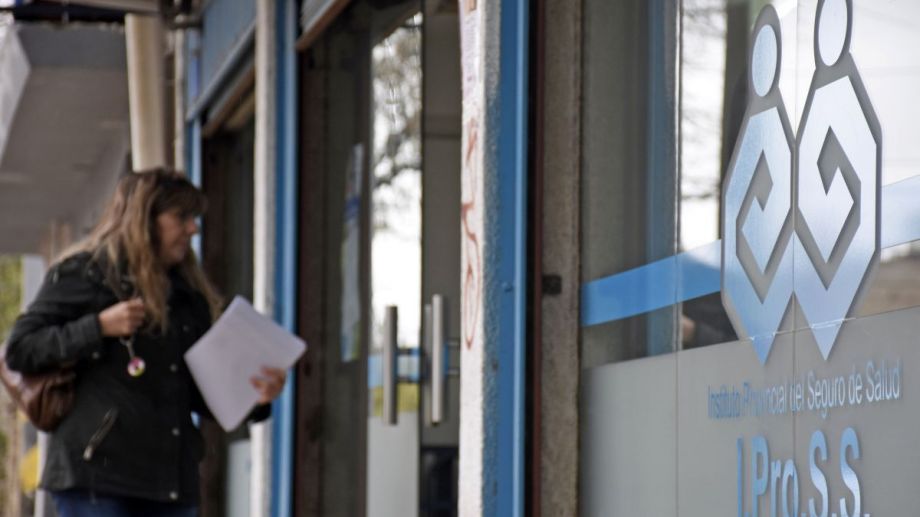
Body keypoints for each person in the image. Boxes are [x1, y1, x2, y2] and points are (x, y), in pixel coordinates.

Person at [4, 169, 287, 517]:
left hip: (169, 485)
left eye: (194, 218)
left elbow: (199, 391)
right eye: (181, 217)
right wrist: (98, 327)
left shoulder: (187, 296)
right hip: (96, 478)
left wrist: (255, 397)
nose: (193, 229)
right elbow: (21, 349)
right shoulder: (86, 273)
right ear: (145, 219)